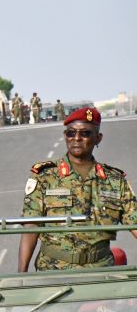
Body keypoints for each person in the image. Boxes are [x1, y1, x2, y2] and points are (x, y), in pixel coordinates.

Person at [18, 107, 137, 272]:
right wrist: (21, 275)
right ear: (65, 136)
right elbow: (31, 227)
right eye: (71, 133)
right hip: (54, 271)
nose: (77, 138)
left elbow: (134, 223)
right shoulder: (45, 176)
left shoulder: (115, 180)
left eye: (85, 133)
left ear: (98, 138)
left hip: (101, 270)